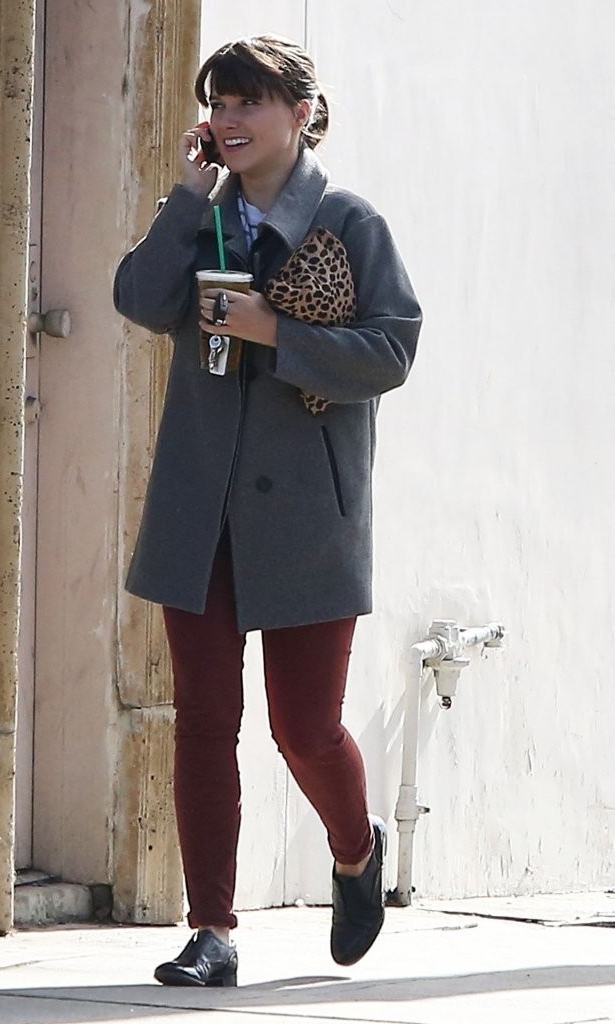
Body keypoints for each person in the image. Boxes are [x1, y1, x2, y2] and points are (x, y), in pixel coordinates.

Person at [113, 35, 422, 988]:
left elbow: (391, 351)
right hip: (197, 511)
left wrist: (273, 331)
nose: (229, 119)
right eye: (219, 102)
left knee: (305, 729)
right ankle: (211, 930)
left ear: (301, 111)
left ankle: (357, 851)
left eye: (249, 101)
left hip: (310, 519)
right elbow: (139, 299)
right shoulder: (201, 215)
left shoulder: (349, 222)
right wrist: (185, 199)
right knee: (204, 720)